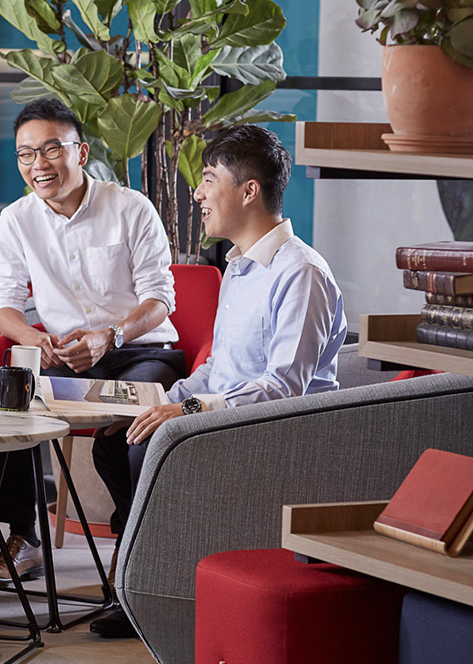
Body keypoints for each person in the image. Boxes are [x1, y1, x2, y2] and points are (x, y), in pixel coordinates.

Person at [91, 124, 348, 638]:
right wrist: (161, 399)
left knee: (150, 449)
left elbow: (283, 387)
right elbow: (217, 370)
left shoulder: (301, 273)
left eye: (209, 179)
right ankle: (142, 572)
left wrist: (186, 413)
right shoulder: (238, 266)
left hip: (275, 431)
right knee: (113, 442)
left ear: (249, 190)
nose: (198, 192)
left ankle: (145, 582)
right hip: (225, 417)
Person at [0, 98, 184, 586]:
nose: (38, 165)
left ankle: (133, 546)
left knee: (126, 429)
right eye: (26, 155)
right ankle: (24, 537)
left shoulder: (130, 208)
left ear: (81, 152)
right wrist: (36, 338)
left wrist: (110, 336)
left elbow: (161, 299)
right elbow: (3, 304)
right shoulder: (16, 220)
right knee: (10, 408)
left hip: (141, 352)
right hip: (65, 358)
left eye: (51, 149)